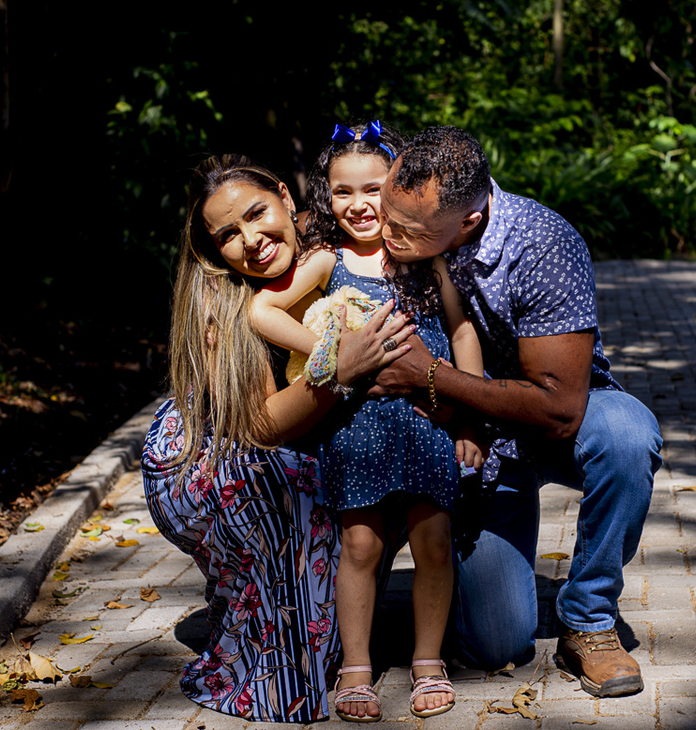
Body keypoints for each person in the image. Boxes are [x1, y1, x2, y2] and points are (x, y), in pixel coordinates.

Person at [369, 126, 664, 698]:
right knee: (498, 647)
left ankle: (589, 619)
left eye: (407, 230)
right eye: (386, 214)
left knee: (627, 434)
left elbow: (559, 408)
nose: (386, 234)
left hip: (549, 420)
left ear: (468, 223)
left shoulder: (541, 243)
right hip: (460, 432)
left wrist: (430, 375)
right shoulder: (397, 228)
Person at [141, 155, 416, 723]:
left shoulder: (335, 236)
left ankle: (318, 614)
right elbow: (261, 426)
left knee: (371, 460)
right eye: (227, 235)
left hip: (309, 428)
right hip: (214, 455)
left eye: (257, 214)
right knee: (286, 484)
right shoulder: (220, 300)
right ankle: (271, 645)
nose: (251, 240)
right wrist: (342, 372)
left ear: (287, 200)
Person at [249, 121, 486, 721]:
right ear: (324, 197)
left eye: (374, 188)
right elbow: (262, 310)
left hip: (426, 420)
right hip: (357, 427)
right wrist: (330, 354)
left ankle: (427, 661)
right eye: (342, 192)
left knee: (433, 542)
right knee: (360, 545)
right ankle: (356, 665)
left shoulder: (422, 253)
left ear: (401, 186)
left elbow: (461, 329)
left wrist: (474, 418)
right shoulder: (329, 259)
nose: (358, 205)